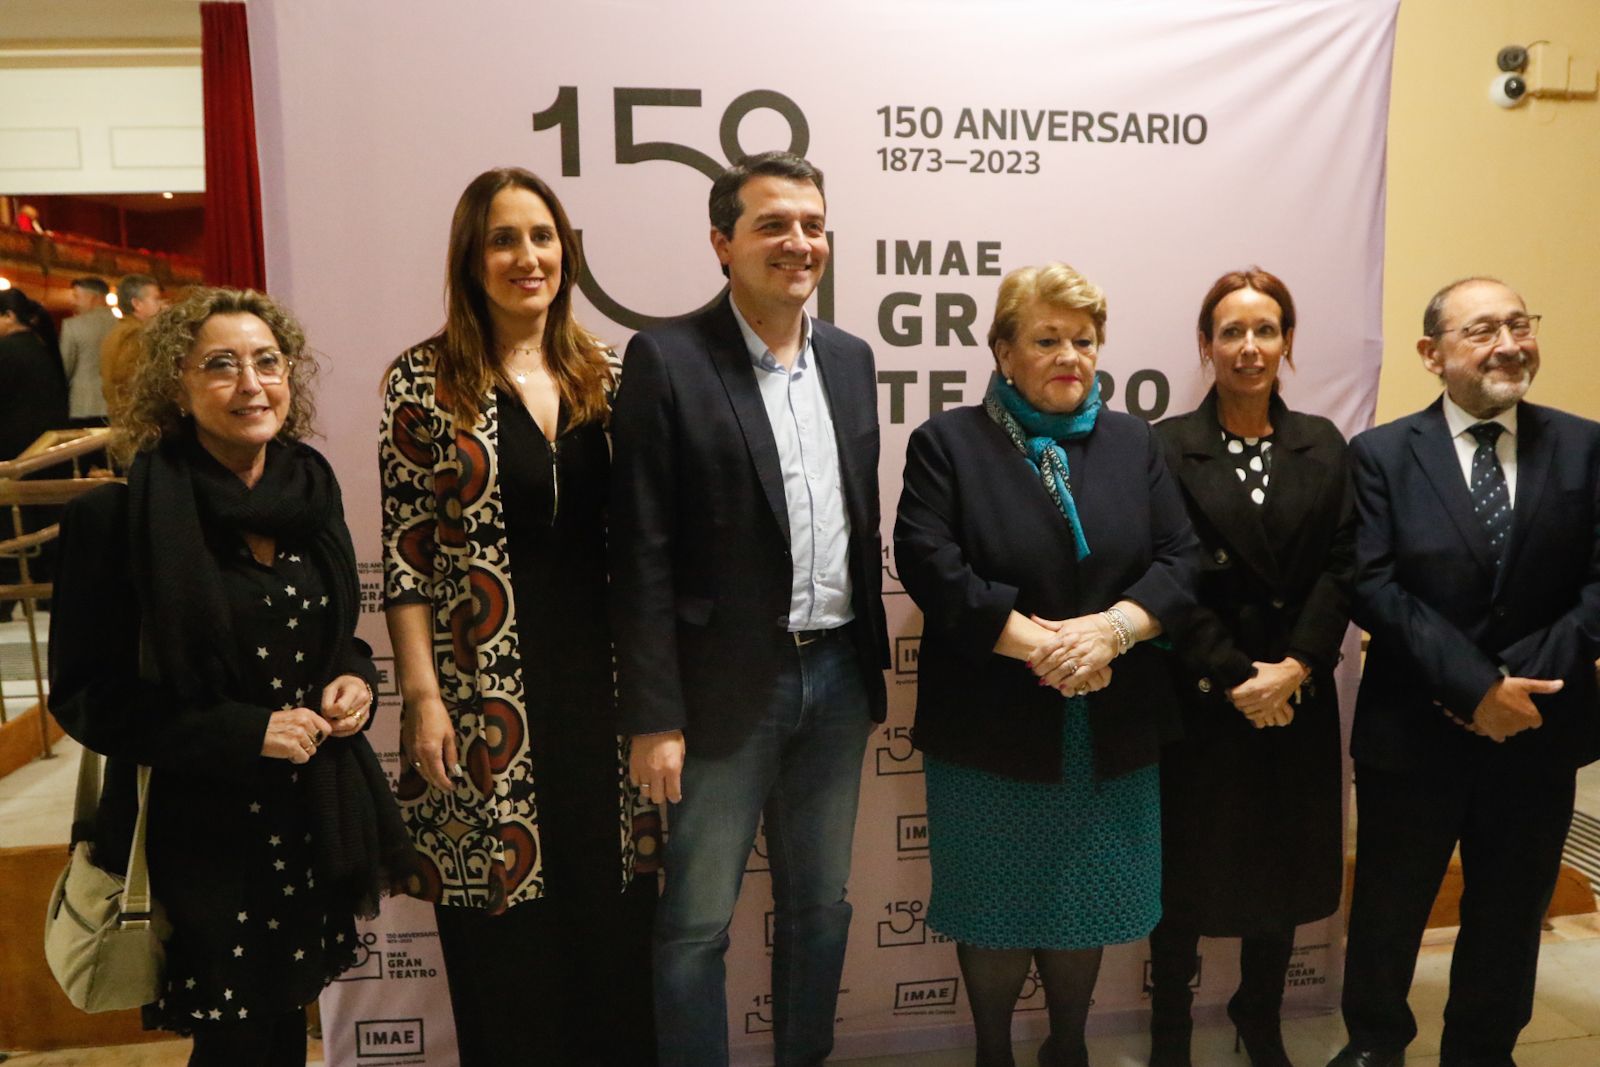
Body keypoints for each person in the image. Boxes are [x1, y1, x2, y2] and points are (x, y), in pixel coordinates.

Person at [48, 287, 413, 1067]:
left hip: (309, 815)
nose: (251, 383)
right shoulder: (118, 521)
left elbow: (328, 637)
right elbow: (87, 696)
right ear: (175, 384)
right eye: (220, 365)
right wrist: (248, 732)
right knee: (237, 1042)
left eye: (267, 361)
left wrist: (352, 681)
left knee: (280, 1032)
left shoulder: (309, 495)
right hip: (198, 832)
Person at [610, 150, 889, 1067]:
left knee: (821, 908)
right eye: (774, 224)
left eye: (812, 225)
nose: (798, 242)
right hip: (724, 689)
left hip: (838, 676)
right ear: (722, 242)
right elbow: (642, 553)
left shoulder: (850, 359)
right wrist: (653, 715)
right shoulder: (668, 358)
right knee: (694, 923)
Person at [380, 167, 658, 1065]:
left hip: (606, 694)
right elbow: (409, 555)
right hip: (481, 697)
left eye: (542, 236)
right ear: (471, 257)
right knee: (506, 944)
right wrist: (421, 697)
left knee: (613, 926)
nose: (527, 257)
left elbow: (654, 538)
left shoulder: (612, 373)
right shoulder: (423, 382)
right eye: (504, 239)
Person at [894, 263, 1199, 1067]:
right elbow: (930, 563)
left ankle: (1068, 1048)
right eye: (1046, 338)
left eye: (1084, 339)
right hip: (993, 726)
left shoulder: (1135, 441)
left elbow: (1181, 559)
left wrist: (1111, 633)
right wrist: (1051, 649)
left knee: (1083, 902)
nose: (1070, 354)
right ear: (1001, 349)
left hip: (1110, 718)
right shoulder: (946, 443)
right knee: (994, 903)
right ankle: (992, 1052)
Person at [1328, 278, 1600, 1067]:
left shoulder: (1585, 446)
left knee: (1511, 911)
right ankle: (1376, 1041)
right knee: (1388, 904)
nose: (1509, 343)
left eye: (1521, 322)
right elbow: (1373, 585)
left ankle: (1483, 1049)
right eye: (1482, 330)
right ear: (1432, 354)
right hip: (1414, 729)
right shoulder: (1379, 454)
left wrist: (1520, 688)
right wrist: (1474, 688)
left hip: (1540, 728)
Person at [1149, 269, 1353, 1067]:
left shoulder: (1323, 443)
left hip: (1295, 694)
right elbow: (1170, 575)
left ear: (1288, 342)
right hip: (1206, 697)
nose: (1249, 347)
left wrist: (1296, 665)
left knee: (1282, 864)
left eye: (1265, 330)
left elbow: (1344, 567)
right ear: (1206, 345)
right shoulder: (1165, 445)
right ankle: (1171, 1026)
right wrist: (1239, 677)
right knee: (1187, 874)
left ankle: (1258, 1014)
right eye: (1231, 332)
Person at [0, 286, 71, 619]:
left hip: (14, 453)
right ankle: (45, 594)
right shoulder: (41, 347)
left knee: (13, 529)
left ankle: (9, 595)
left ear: (9, 316)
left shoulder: (8, 352)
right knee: (44, 524)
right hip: (44, 452)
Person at [0, 286, 70, 461]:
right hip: (42, 441)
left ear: (9, 316)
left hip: (12, 441)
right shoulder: (40, 346)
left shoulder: (6, 349)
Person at [101, 273, 166, 416]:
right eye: (156, 299)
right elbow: (134, 384)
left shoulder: (118, 331)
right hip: (138, 419)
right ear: (137, 304)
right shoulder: (135, 334)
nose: (162, 306)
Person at [59, 276, 116, 424]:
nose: (74, 302)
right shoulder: (121, 326)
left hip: (83, 404)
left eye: (77, 297)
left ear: (93, 298)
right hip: (116, 405)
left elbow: (65, 368)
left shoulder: (72, 325)